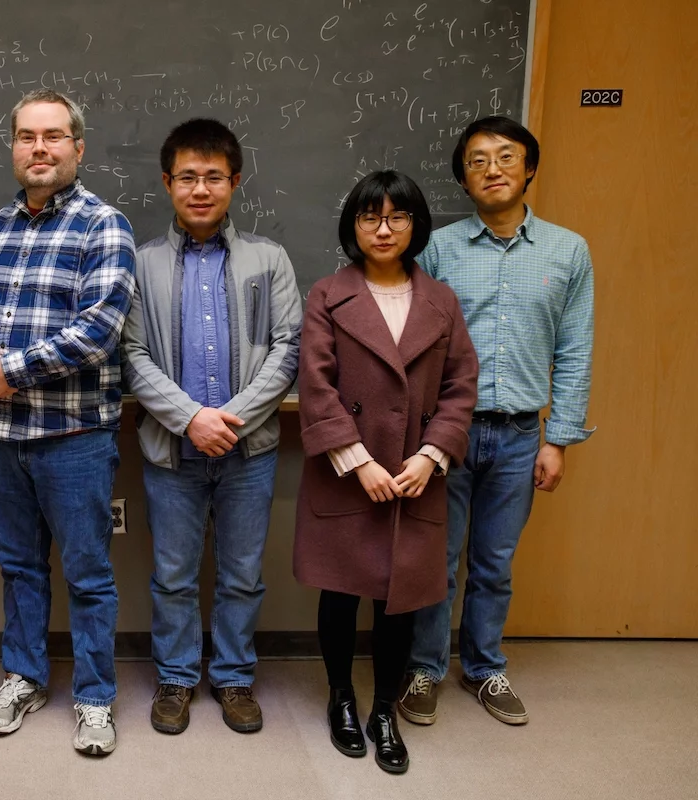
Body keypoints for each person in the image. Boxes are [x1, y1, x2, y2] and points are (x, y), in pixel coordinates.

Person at [400, 116, 595, 727]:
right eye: (479, 160)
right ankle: (425, 669)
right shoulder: (439, 249)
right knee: (439, 558)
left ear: (529, 169)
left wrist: (558, 439)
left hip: (519, 434)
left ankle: (484, 668)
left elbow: (575, 348)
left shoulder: (569, 250)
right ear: (463, 175)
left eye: (507, 157)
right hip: (447, 434)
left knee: (495, 560)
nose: (493, 170)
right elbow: (412, 341)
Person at [0, 89, 135, 756]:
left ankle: (95, 699)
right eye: (27, 137)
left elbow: (97, 331)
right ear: (13, 149)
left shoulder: (103, 225)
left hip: (74, 439)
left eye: (54, 136)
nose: (40, 148)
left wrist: (10, 371)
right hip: (3, 439)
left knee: (88, 574)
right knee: (19, 568)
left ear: (77, 148)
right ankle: (24, 677)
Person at [294, 170, 479, 774]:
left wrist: (430, 455)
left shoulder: (442, 300)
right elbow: (316, 385)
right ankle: (342, 698)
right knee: (342, 591)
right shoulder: (327, 293)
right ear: (353, 226)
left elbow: (460, 388)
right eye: (370, 217)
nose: (383, 228)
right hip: (348, 471)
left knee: (401, 600)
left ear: (415, 225)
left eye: (397, 216)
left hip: (415, 475)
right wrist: (358, 461)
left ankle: (384, 712)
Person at [121, 118, 302, 735]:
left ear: (235, 182)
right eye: (189, 177)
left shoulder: (268, 258)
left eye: (214, 177)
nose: (201, 189)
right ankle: (175, 679)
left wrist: (233, 418)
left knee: (242, 574)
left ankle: (233, 678)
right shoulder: (141, 264)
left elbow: (287, 347)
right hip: (172, 450)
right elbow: (132, 355)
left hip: (249, 450)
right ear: (169, 183)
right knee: (172, 575)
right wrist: (192, 419)